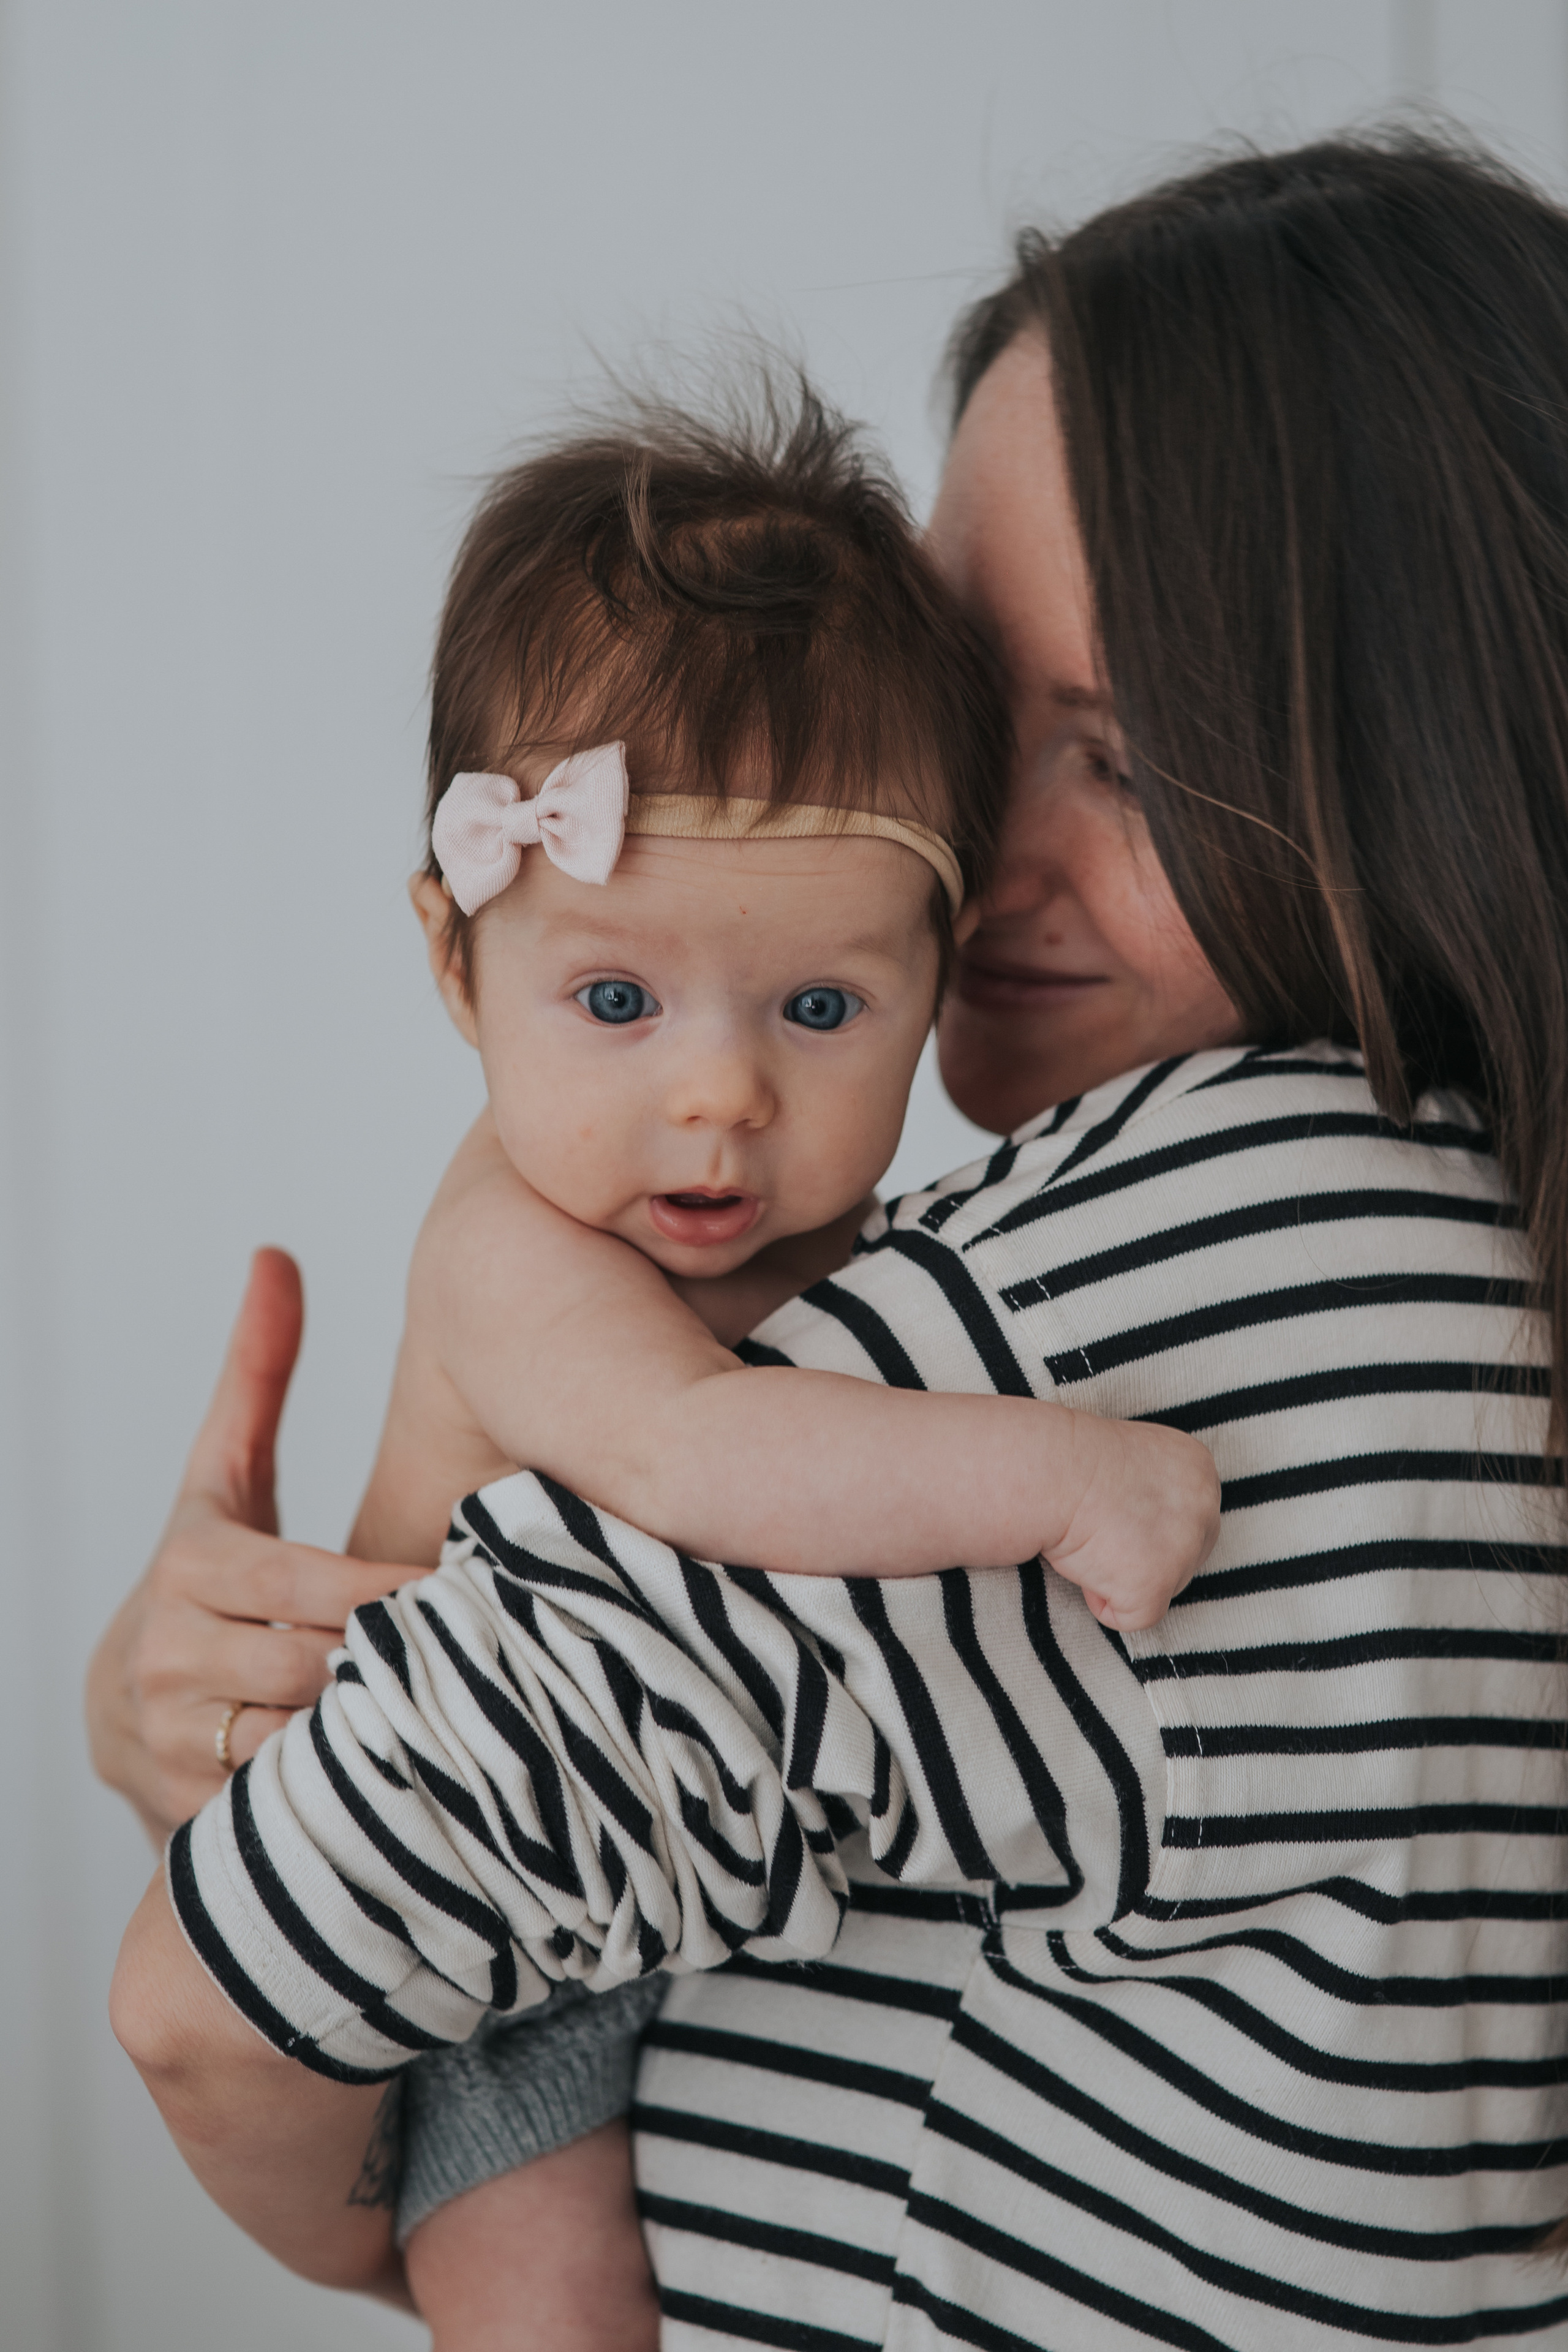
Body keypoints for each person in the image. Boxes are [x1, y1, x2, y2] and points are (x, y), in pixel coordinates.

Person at [99, 126, 1568, 2348]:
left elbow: (217, 1995)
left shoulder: (1185, 1265)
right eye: (964, 738)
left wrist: (227, 1814)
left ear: (1408, 754)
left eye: (1126, 757)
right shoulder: (1467, 1244)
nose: (969, 867)